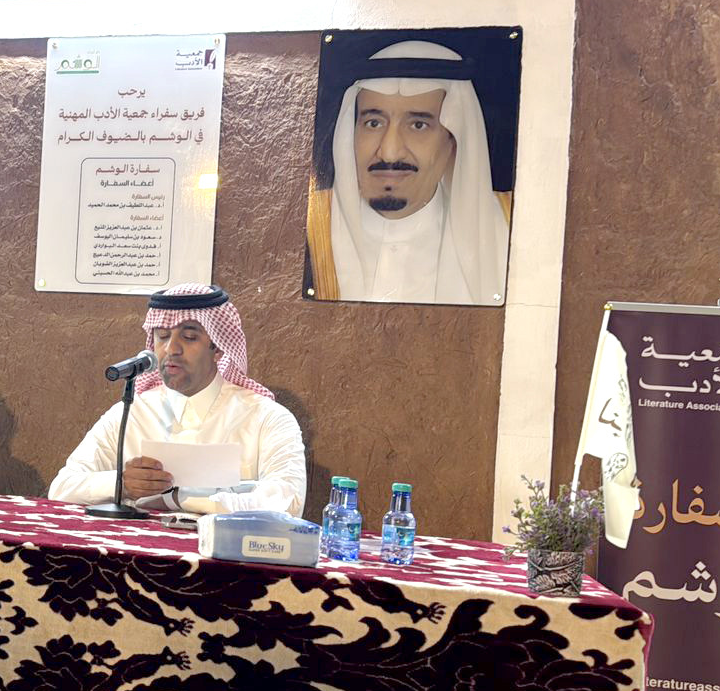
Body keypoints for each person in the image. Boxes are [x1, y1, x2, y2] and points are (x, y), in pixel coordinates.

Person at [48, 284, 307, 516]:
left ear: (217, 346)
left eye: (189, 337)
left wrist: (187, 499)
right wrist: (122, 483)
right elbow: (62, 487)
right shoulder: (130, 413)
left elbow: (289, 500)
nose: (171, 349)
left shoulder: (267, 418)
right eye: (162, 336)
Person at [306, 40, 512, 306]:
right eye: (373, 123)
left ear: (453, 140)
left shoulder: (506, 227)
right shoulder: (308, 225)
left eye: (418, 125)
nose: (389, 153)